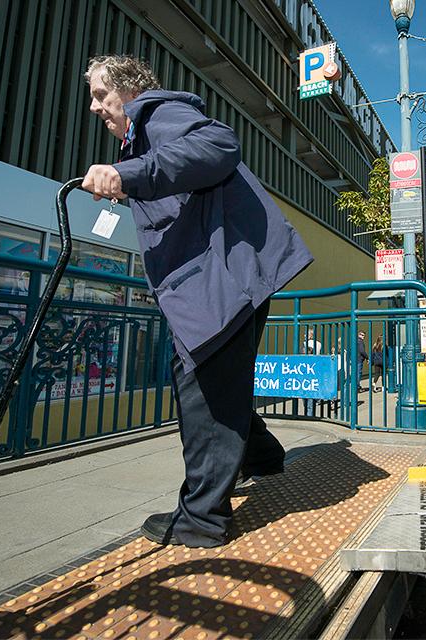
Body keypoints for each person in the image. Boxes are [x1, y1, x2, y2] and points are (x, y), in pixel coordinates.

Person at [82, 56, 313, 548]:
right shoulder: (144, 137)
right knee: (218, 376)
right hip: (233, 272)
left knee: (201, 388)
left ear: (127, 91)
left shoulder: (154, 112)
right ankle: (263, 457)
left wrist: (127, 174)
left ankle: (202, 519)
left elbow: (219, 144)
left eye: (101, 95)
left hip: (224, 275)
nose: (95, 106)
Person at [302, 328, 321, 416]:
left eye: (306, 334)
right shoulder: (319, 344)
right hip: (315, 368)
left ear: (310, 335)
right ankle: (311, 412)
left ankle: (308, 413)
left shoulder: (305, 344)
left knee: (306, 391)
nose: (304, 336)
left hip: (306, 368)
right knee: (312, 390)